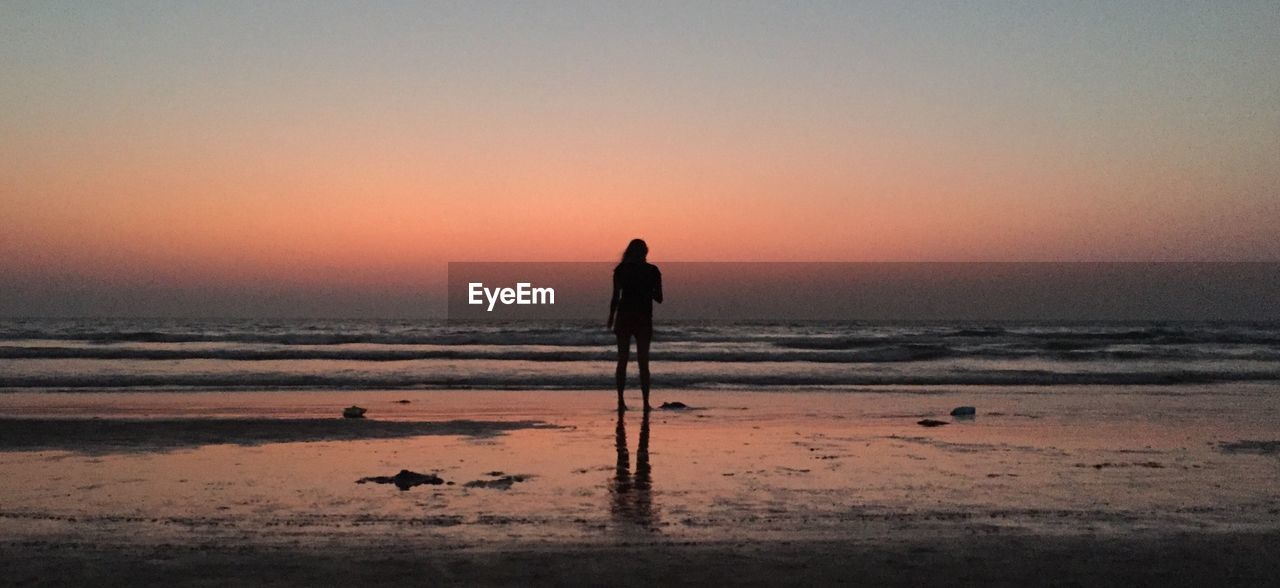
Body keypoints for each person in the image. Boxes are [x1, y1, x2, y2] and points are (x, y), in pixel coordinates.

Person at [607, 238, 662, 411]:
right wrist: (646, 290)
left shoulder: (621, 270)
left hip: (623, 318)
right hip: (643, 319)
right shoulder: (652, 271)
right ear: (645, 252)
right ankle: (645, 402)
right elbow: (659, 298)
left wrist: (610, 317)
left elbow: (616, 297)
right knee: (643, 362)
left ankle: (621, 401)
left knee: (622, 360)